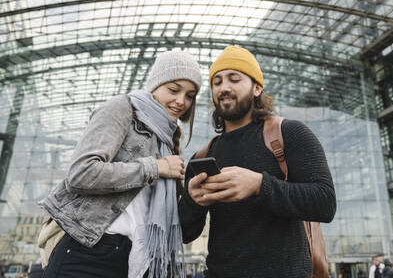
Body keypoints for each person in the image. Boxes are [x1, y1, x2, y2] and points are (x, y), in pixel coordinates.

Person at [39, 50, 203, 278]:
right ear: (155, 84)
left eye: (189, 95)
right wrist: (155, 168)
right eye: (174, 90)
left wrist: (194, 199)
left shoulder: (166, 139)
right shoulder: (123, 108)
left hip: (132, 259)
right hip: (88, 251)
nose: (181, 101)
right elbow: (81, 173)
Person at [178, 45, 336, 277]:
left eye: (234, 79)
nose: (224, 88)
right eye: (217, 82)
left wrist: (259, 185)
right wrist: (192, 202)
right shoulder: (202, 157)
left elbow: (325, 203)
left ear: (257, 88)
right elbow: (184, 233)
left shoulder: (289, 133)